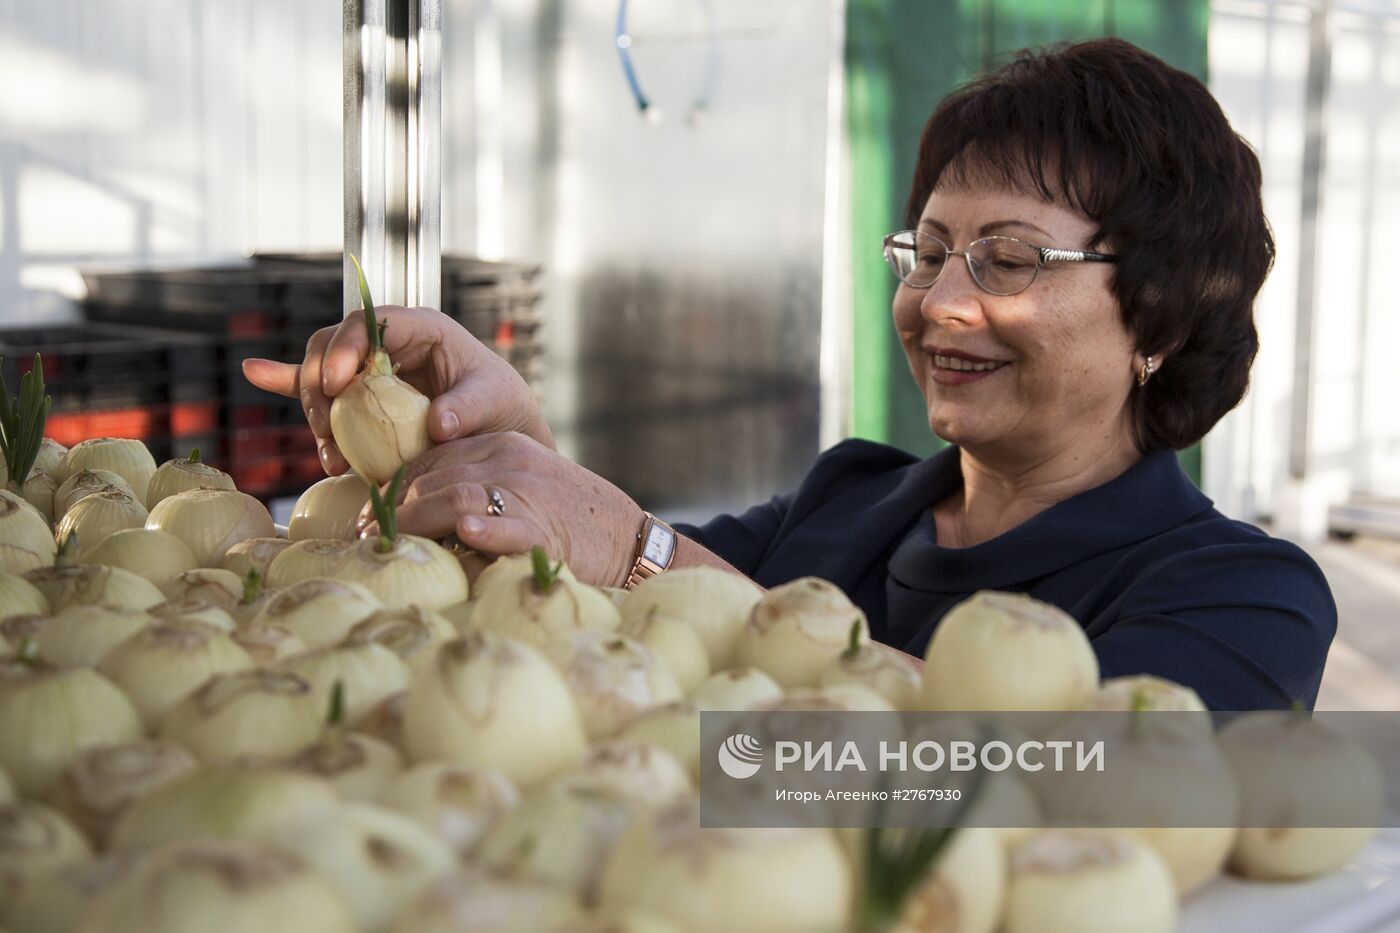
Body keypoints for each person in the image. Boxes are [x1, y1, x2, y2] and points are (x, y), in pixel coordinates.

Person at [244, 38, 1335, 711]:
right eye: (926, 249)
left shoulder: (1240, 594)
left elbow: (1079, 785)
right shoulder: (850, 501)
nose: (939, 301)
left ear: (1160, 317)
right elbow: (643, 613)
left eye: (1006, 260)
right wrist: (503, 453)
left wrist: (635, 548)